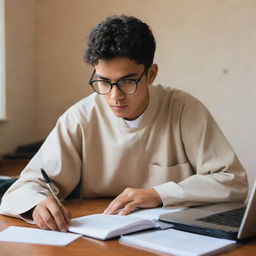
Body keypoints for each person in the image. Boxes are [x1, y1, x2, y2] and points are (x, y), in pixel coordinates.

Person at [0, 15, 248, 233]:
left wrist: (159, 193)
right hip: (99, 236)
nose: (114, 96)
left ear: (150, 74)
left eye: (127, 82)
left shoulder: (183, 109)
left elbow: (234, 181)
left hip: (172, 235)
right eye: (103, 82)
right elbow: (25, 188)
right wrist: (36, 204)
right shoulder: (80, 118)